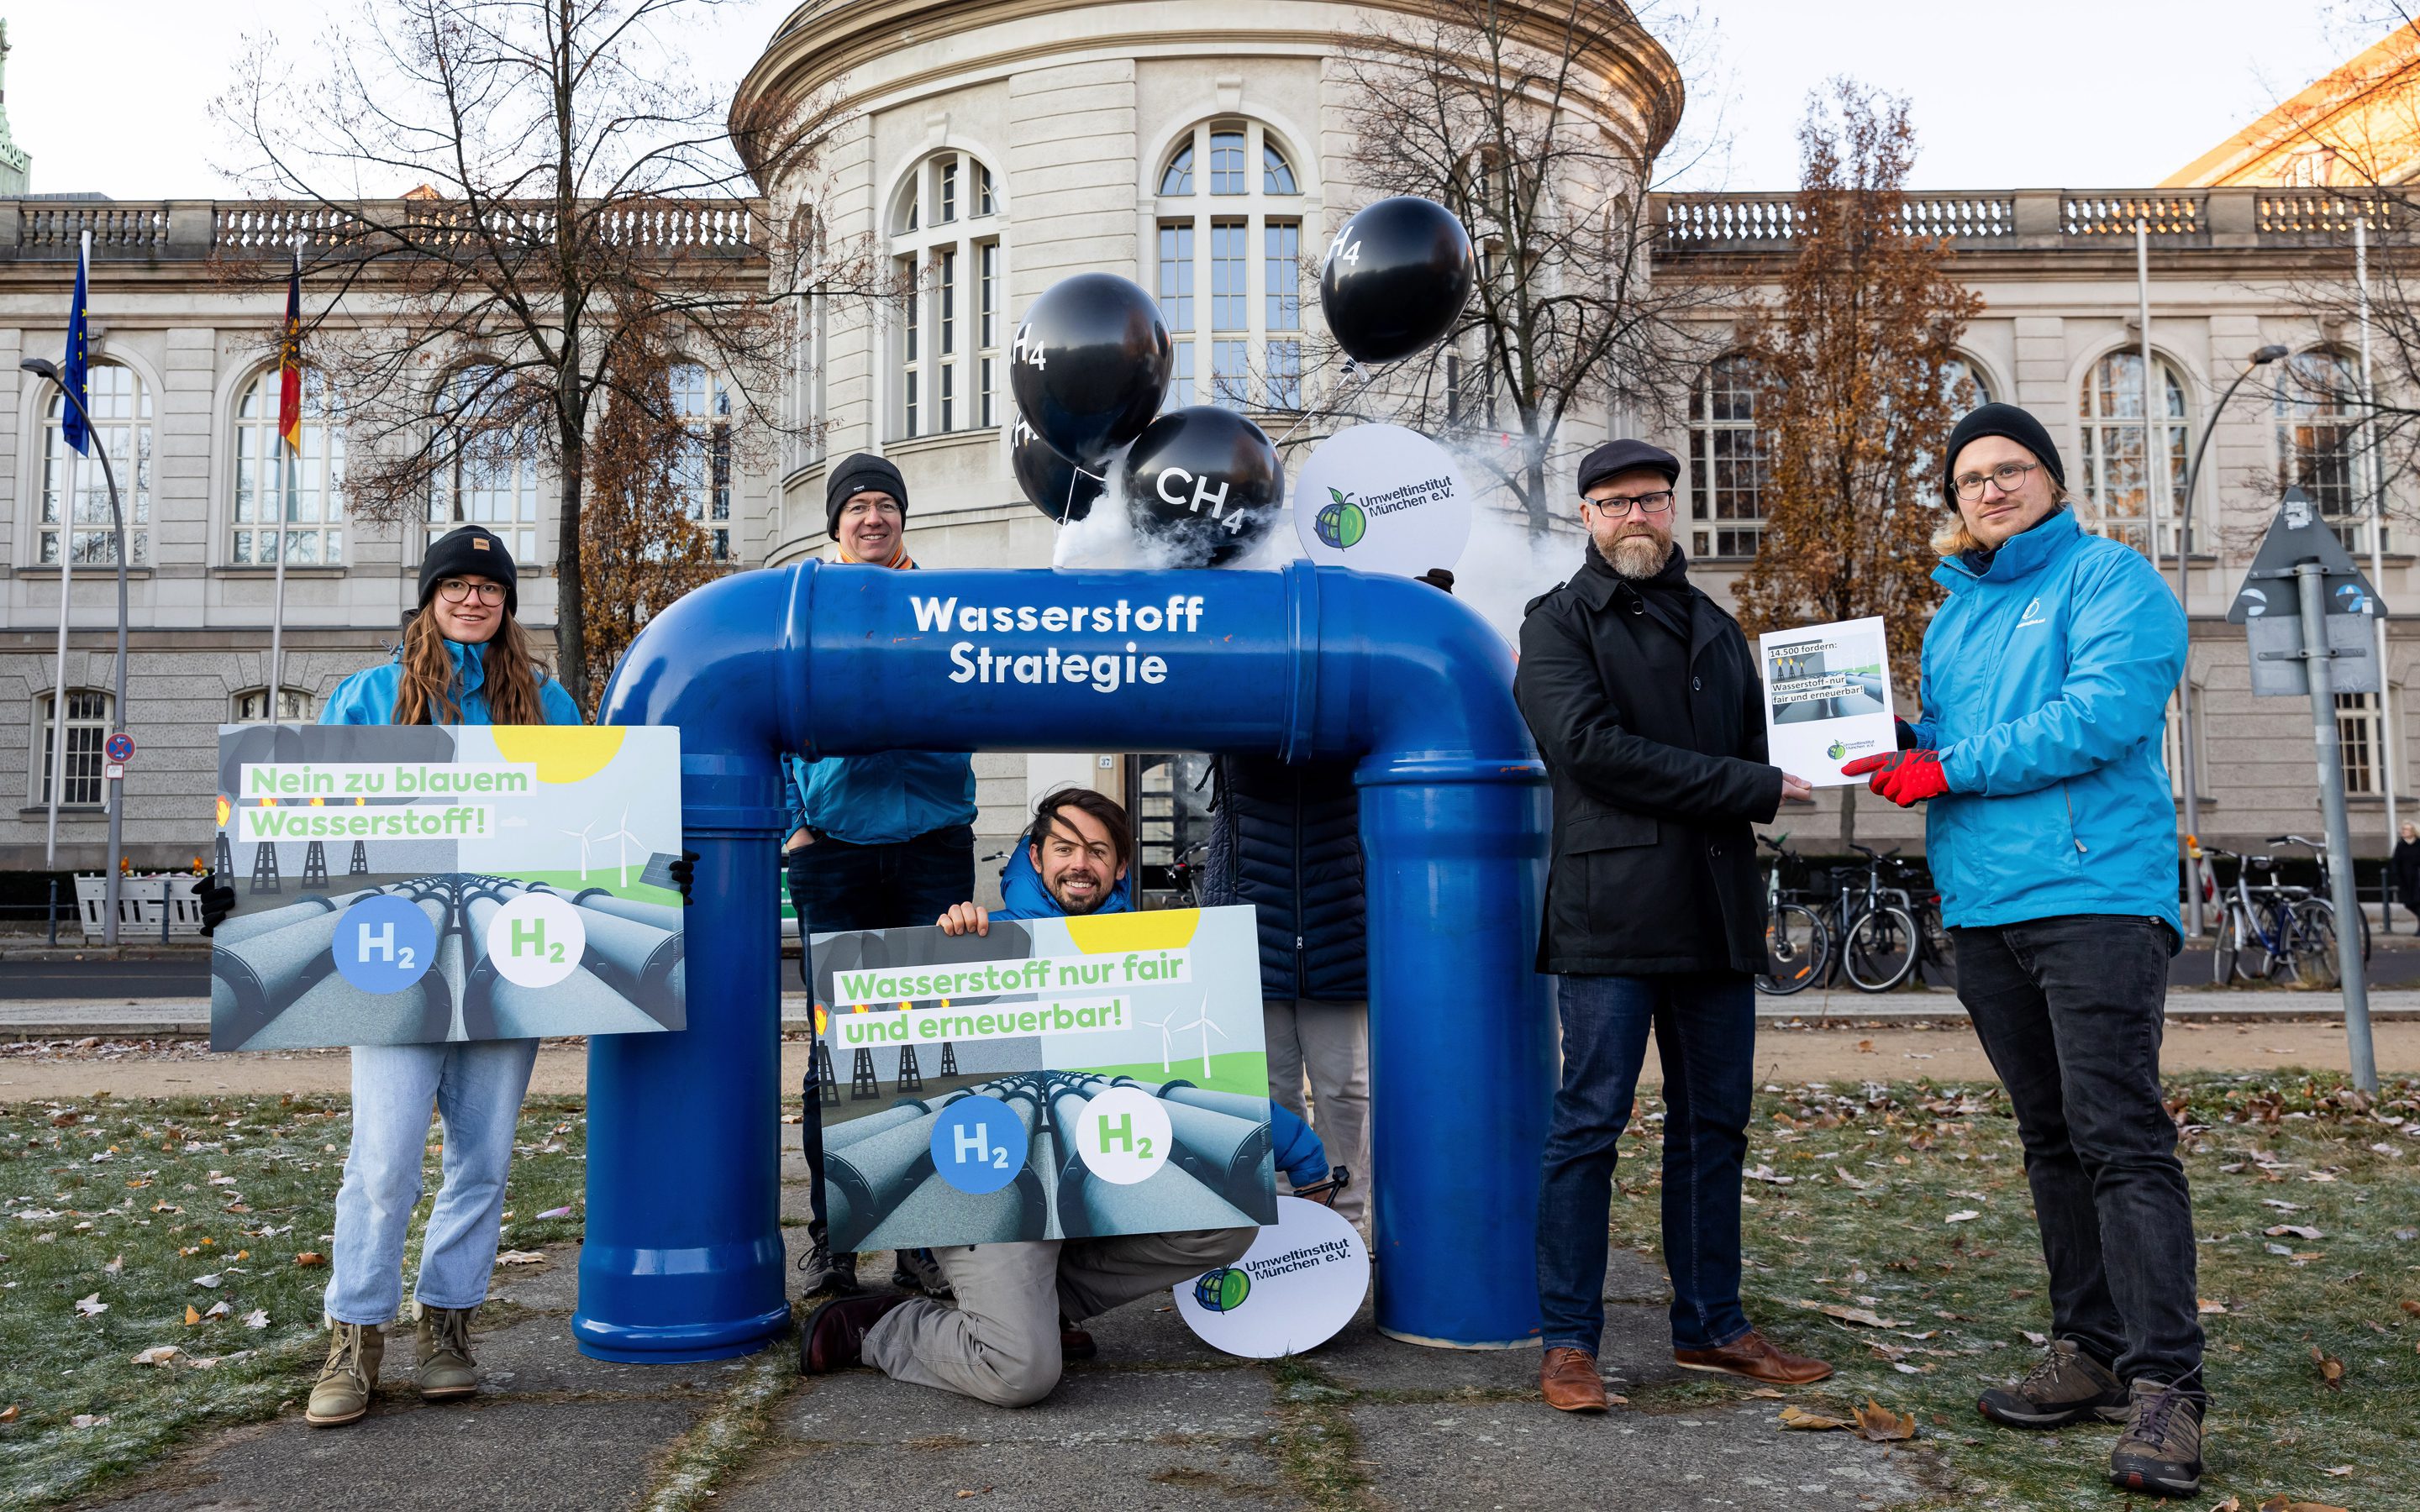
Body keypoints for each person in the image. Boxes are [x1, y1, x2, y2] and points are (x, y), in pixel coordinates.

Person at [1841, 402, 2202, 1499]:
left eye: (2010, 470)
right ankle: (2086, 1351)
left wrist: (1945, 770)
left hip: (2094, 894)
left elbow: (2097, 716)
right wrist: (1900, 743)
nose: (1989, 490)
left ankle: (2166, 1390)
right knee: (2052, 1140)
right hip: (1987, 907)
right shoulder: (1952, 615)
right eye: (1969, 479)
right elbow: (1958, 746)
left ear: (2051, 480)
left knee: (2119, 1136)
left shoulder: (2112, 582)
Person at [1514, 439, 1831, 1415]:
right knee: (1589, 1127)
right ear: (1587, 519)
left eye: (1650, 498)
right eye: (1613, 504)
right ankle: (1570, 1342)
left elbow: (1762, 746)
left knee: (1715, 1128)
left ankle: (1712, 1326)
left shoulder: (1716, 626)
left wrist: (1849, 730)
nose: (1635, 516)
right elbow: (1591, 751)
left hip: (1715, 911)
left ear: (1671, 508)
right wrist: (1755, 785)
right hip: (1611, 916)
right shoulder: (1556, 624)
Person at [797, 788, 1279, 1408]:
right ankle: (886, 1326)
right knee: (1020, 1374)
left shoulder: (1155, 952)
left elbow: (1201, 1069)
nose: (1081, 864)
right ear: (1036, 855)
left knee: (1228, 1219)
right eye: (1065, 848)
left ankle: (1038, 1306)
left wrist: (1280, 1136)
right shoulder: (982, 936)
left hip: (1099, 1175)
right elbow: (894, 1033)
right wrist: (943, 946)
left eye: (1099, 851)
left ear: (1121, 867)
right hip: (993, 1193)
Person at [304, 525, 585, 1428]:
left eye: (490, 588)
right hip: (395, 966)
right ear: (429, 597)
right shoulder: (372, 695)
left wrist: (649, 875)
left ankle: (447, 1328)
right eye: (456, 584)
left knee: (484, 1160)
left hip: (507, 968)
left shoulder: (546, 703)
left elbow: (590, 818)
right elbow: (311, 812)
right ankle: (354, 1335)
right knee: (384, 1161)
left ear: (509, 604)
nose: (474, 599)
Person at [788, 454, 980, 1299]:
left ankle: (919, 1240)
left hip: (934, 841)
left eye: (885, 506)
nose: (873, 518)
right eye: (857, 507)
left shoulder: (946, 607)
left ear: (905, 521)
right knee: (838, 1048)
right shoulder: (803, 605)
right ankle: (835, 1236)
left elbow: (990, 695)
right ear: (835, 526)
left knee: (926, 1041)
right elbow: (766, 720)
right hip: (834, 849)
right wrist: (795, 825)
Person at [2392, 822, 2420, 933]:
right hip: (2405, 879)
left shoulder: (2419, 844)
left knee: (2418, 902)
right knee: (2408, 903)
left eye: (2407, 829)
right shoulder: (2400, 845)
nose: (2404, 831)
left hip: (2417, 878)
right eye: (2403, 829)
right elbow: (2395, 861)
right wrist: (2395, 875)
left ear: (2413, 831)